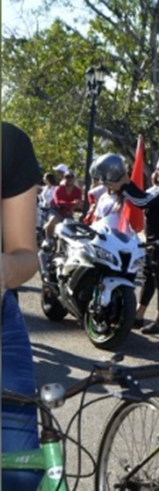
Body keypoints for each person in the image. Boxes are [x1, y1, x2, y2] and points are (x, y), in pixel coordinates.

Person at [1, 122, 44, 490]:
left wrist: (6, 267)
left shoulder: (10, 143)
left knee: (21, 471)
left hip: (1, 326)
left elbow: (25, 256)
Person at [105, 155, 159, 335]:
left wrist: (125, 185)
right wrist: (126, 186)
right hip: (154, 240)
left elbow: (143, 201)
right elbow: (146, 198)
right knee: (149, 277)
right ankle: (139, 315)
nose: (157, 172)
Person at [44, 170, 82, 238]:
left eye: (71, 177)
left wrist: (71, 205)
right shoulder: (58, 189)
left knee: (72, 229)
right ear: (64, 179)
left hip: (68, 212)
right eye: (67, 177)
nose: (69, 179)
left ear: (74, 179)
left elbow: (78, 204)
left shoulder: (78, 191)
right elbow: (58, 202)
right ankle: (48, 240)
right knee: (52, 221)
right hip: (56, 210)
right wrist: (72, 203)